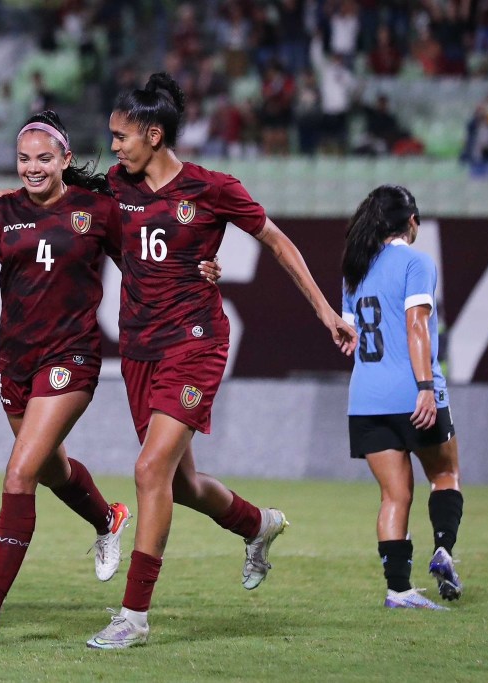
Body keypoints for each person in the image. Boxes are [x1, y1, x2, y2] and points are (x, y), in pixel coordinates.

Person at [87, 72, 358, 649]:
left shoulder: (211, 189)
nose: (114, 146)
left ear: (154, 135)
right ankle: (257, 524)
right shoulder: (114, 186)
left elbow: (278, 242)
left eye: (122, 136)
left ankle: (134, 615)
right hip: (138, 349)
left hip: (195, 344)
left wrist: (325, 311)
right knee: (179, 484)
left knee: (148, 471)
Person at [0, 111, 132, 643]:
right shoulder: (2, 214)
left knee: (19, 473)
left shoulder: (96, 210)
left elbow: (142, 265)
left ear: (66, 161)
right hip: (15, 364)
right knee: (51, 470)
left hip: (71, 357)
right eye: (24, 158)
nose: (32, 167)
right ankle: (109, 518)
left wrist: (197, 275)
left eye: (44, 158)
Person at [340, 185, 463, 610]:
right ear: (411, 223)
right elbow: (417, 328)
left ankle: (398, 590)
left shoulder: (356, 267)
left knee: (394, 496)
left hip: (365, 399)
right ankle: (444, 549)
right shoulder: (416, 263)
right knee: (444, 475)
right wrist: (426, 387)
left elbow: (349, 334)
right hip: (411, 394)